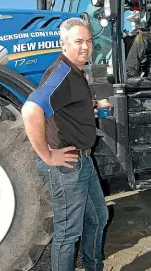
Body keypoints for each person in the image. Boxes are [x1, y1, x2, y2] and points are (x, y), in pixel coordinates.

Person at [21, 17, 109, 271]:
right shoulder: (61, 73)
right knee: (68, 234)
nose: (85, 47)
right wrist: (47, 155)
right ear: (64, 44)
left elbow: (68, 104)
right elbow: (31, 110)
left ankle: (95, 267)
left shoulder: (75, 71)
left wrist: (95, 105)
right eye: (78, 41)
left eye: (89, 41)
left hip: (84, 161)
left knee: (99, 217)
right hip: (67, 166)